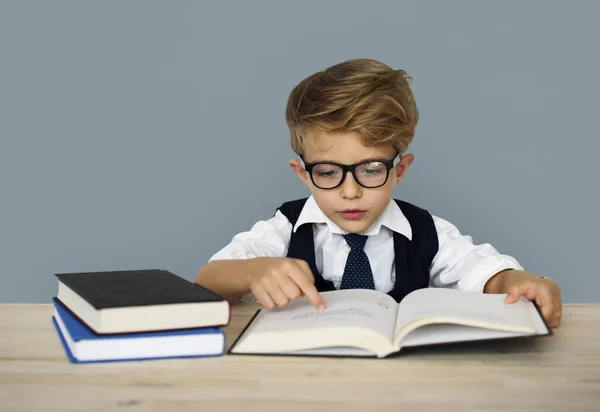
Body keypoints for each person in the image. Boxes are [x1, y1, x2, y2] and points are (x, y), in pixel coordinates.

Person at [195, 58, 562, 328]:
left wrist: (518, 283)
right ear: (303, 174)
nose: (350, 192)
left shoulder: (425, 231)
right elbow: (208, 280)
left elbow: (483, 272)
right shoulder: (284, 228)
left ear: (400, 169)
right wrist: (254, 272)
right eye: (327, 172)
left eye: (371, 170)